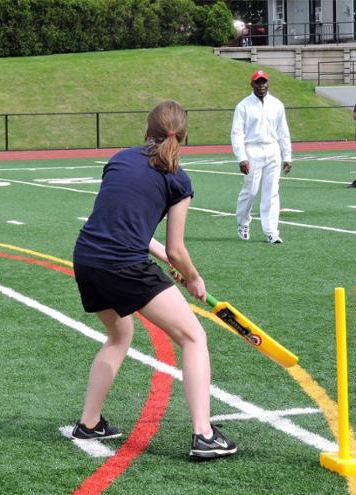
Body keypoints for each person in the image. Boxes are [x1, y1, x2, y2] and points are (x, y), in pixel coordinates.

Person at [70, 100, 237, 461]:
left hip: (86, 260)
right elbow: (176, 249)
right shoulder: (178, 178)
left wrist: (171, 263)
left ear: (147, 130)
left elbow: (131, 228)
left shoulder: (119, 159)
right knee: (193, 337)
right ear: (184, 135)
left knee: (119, 334)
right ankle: (204, 434)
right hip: (123, 265)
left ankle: (90, 423)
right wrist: (192, 278)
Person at [231, 70, 292, 244]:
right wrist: (241, 157)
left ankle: (271, 231)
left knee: (272, 192)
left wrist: (287, 156)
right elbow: (237, 133)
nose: (262, 85)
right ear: (252, 84)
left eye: (264, 82)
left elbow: (283, 132)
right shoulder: (243, 106)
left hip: (272, 150)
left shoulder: (277, 105)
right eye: (258, 82)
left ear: (268, 83)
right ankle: (243, 223)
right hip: (252, 150)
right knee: (250, 191)